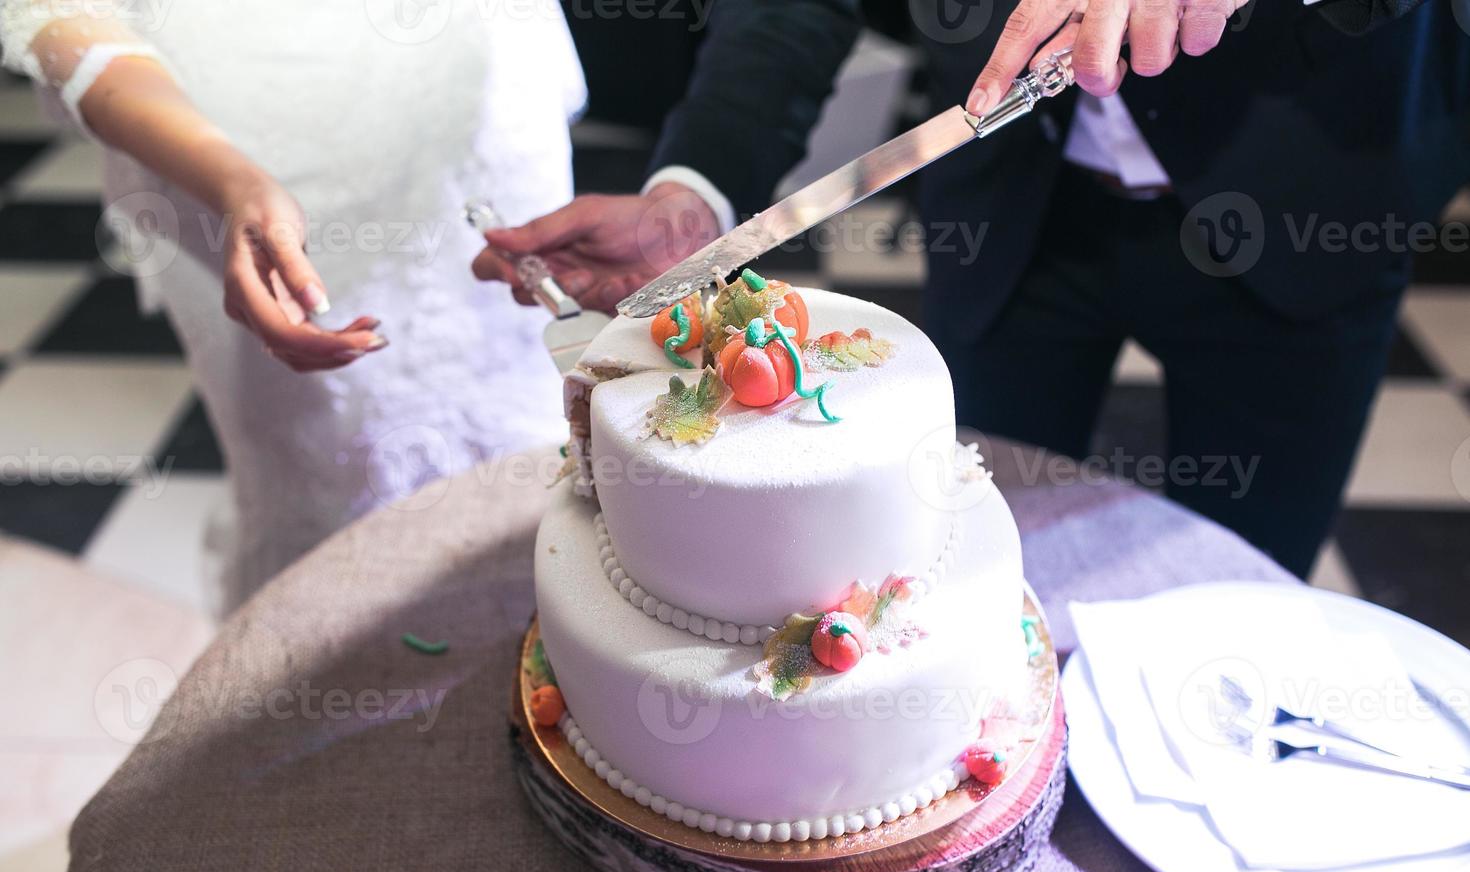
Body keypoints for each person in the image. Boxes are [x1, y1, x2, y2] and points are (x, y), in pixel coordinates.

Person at [473, 0, 1470, 578]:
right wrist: (699, 190)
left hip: (1312, 194)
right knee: (970, 558)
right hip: (1009, 207)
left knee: (1250, 587)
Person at [2, 0, 586, 611]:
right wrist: (234, 182)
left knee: (528, 434)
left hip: (475, 111)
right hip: (235, 140)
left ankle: (546, 663)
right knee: (329, 476)